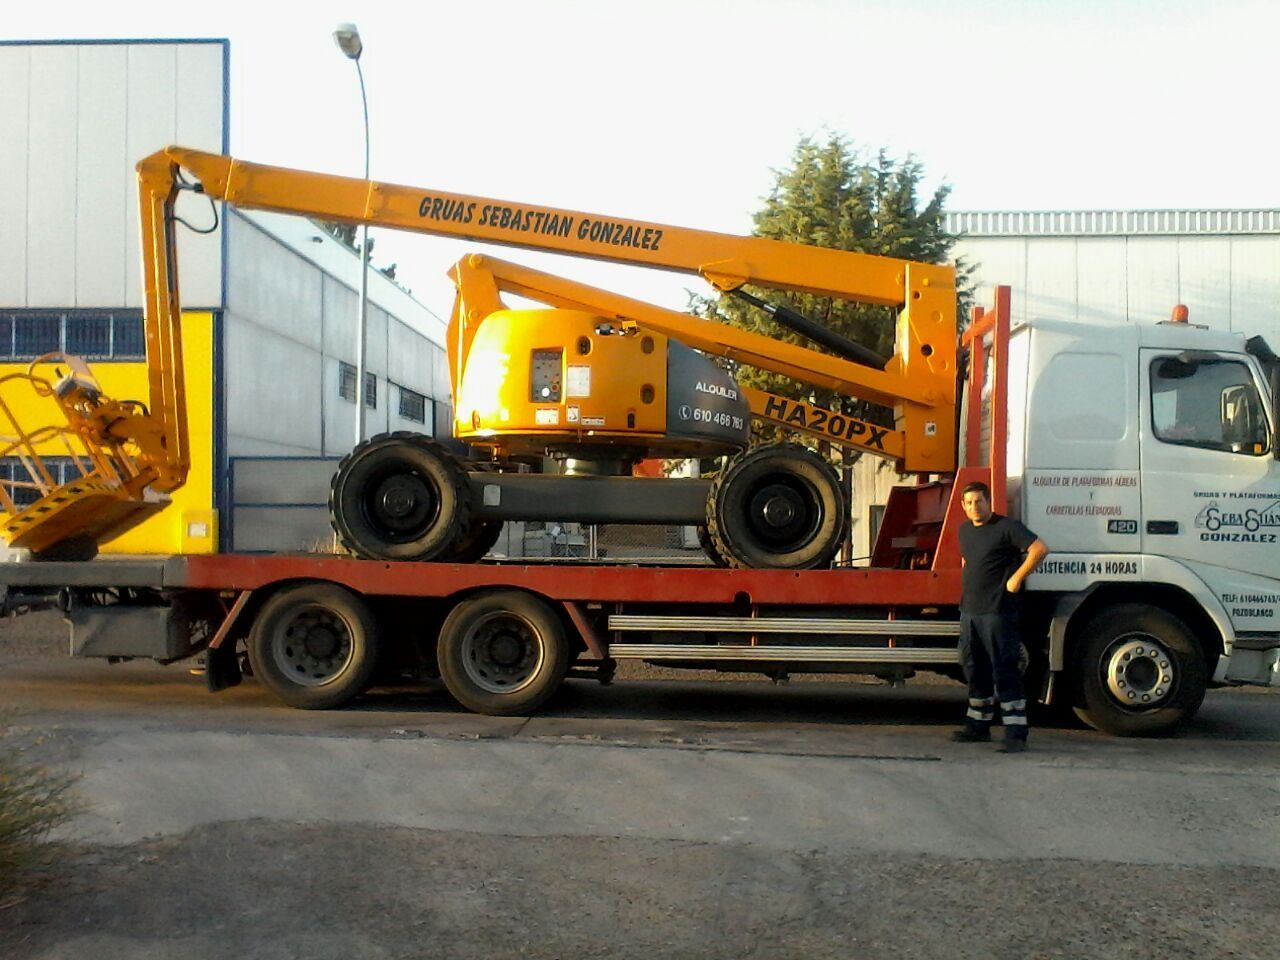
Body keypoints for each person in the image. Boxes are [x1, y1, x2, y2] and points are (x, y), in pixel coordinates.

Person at [952, 480, 1049, 753]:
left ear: (988, 501)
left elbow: (1040, 549)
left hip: (997, 612)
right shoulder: (965, 531)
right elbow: (968, 561)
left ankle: (1016, 734)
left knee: (1004, 669)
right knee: (974, 669)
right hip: (970, 610)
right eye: (969, 503)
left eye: (979, 501)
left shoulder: (1006, 528)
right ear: (963, 506)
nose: (974, 507)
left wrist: (1016, 579)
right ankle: (977, 726)